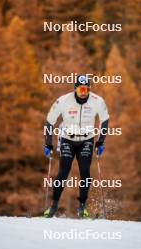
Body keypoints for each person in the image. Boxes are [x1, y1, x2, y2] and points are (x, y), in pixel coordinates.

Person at [43, 74, 109, 218]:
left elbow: (105, 120)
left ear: (89, 89)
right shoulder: (63, 101)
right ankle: (53, 207)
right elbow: (49, 121)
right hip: (67, 139)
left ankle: (82, 208)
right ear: (75, 89)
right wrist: (48, 143)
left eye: (86, 90)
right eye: (81, 90)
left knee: (85, 172)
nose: (83, 93)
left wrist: (101, 141)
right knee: (63, 172)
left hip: (87, 140)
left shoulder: (97, 101)